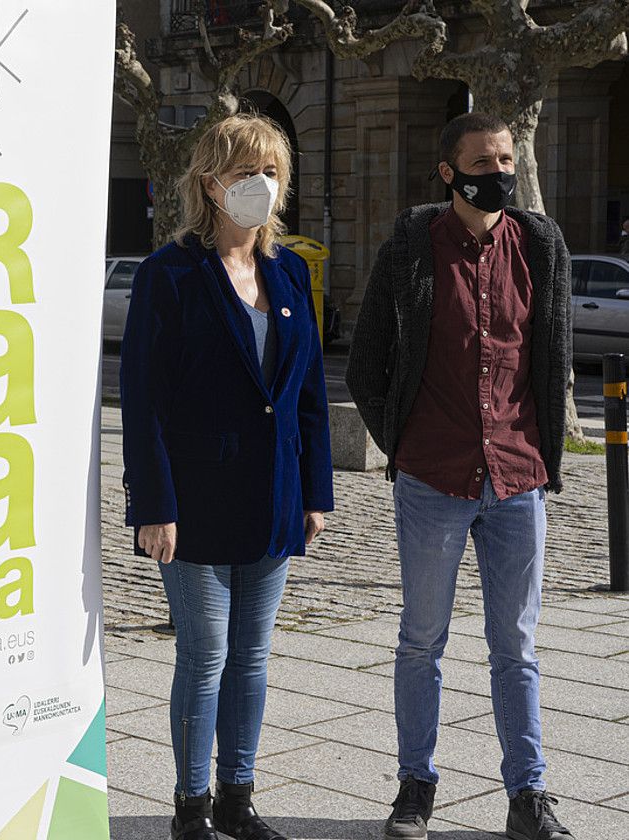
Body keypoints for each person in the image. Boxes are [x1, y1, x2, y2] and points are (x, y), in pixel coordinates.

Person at [346, 112, 575, 840]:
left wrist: (540, 451)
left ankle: (528, 796)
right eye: (484, 160)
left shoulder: (539, 244)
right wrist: (405, 445)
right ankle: (416, 787)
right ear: (449, 172)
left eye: (507, 158)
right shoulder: (412, 247)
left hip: (517, 478)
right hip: (433, 479)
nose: (500, 172)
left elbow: (552, 354)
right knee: (422, 640)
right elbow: (368, 361)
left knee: (517, 645)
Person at [120, 113, 334, 840]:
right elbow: (143, 398)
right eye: (246, 172)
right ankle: (191, 808)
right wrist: (154, 504)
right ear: (209, 184)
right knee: (204, 654)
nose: (261, 186)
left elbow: (305, 390)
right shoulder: (169, 273)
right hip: (194, 499)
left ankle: (239, 800)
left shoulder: (289, 270)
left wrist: (316, 491)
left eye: (272, 172)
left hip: (274, 493)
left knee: (252, 655)